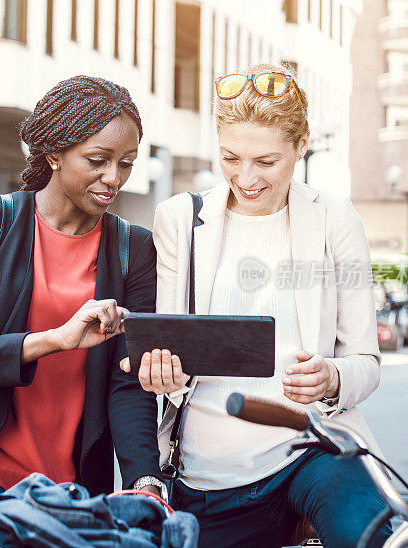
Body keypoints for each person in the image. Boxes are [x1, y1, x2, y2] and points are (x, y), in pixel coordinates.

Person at [123, 63, 391, 547]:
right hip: (206, 473)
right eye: (231, 156)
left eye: (266, 161)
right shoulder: (180, 219)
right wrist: (163, 372)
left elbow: (366, 362)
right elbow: (167, 352)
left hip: (310, 449)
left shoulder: (334, 218)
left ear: (300, 145)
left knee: (369, 534)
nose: (245, 178)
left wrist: (332, 377)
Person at [0, 75, 165, 548]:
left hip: (69, 488)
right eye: (97, 160)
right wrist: (55, 339)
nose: (113, 177)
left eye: (126, 163)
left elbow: (127, 382)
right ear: (54, 154)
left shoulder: (135, 249)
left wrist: (145, 481)